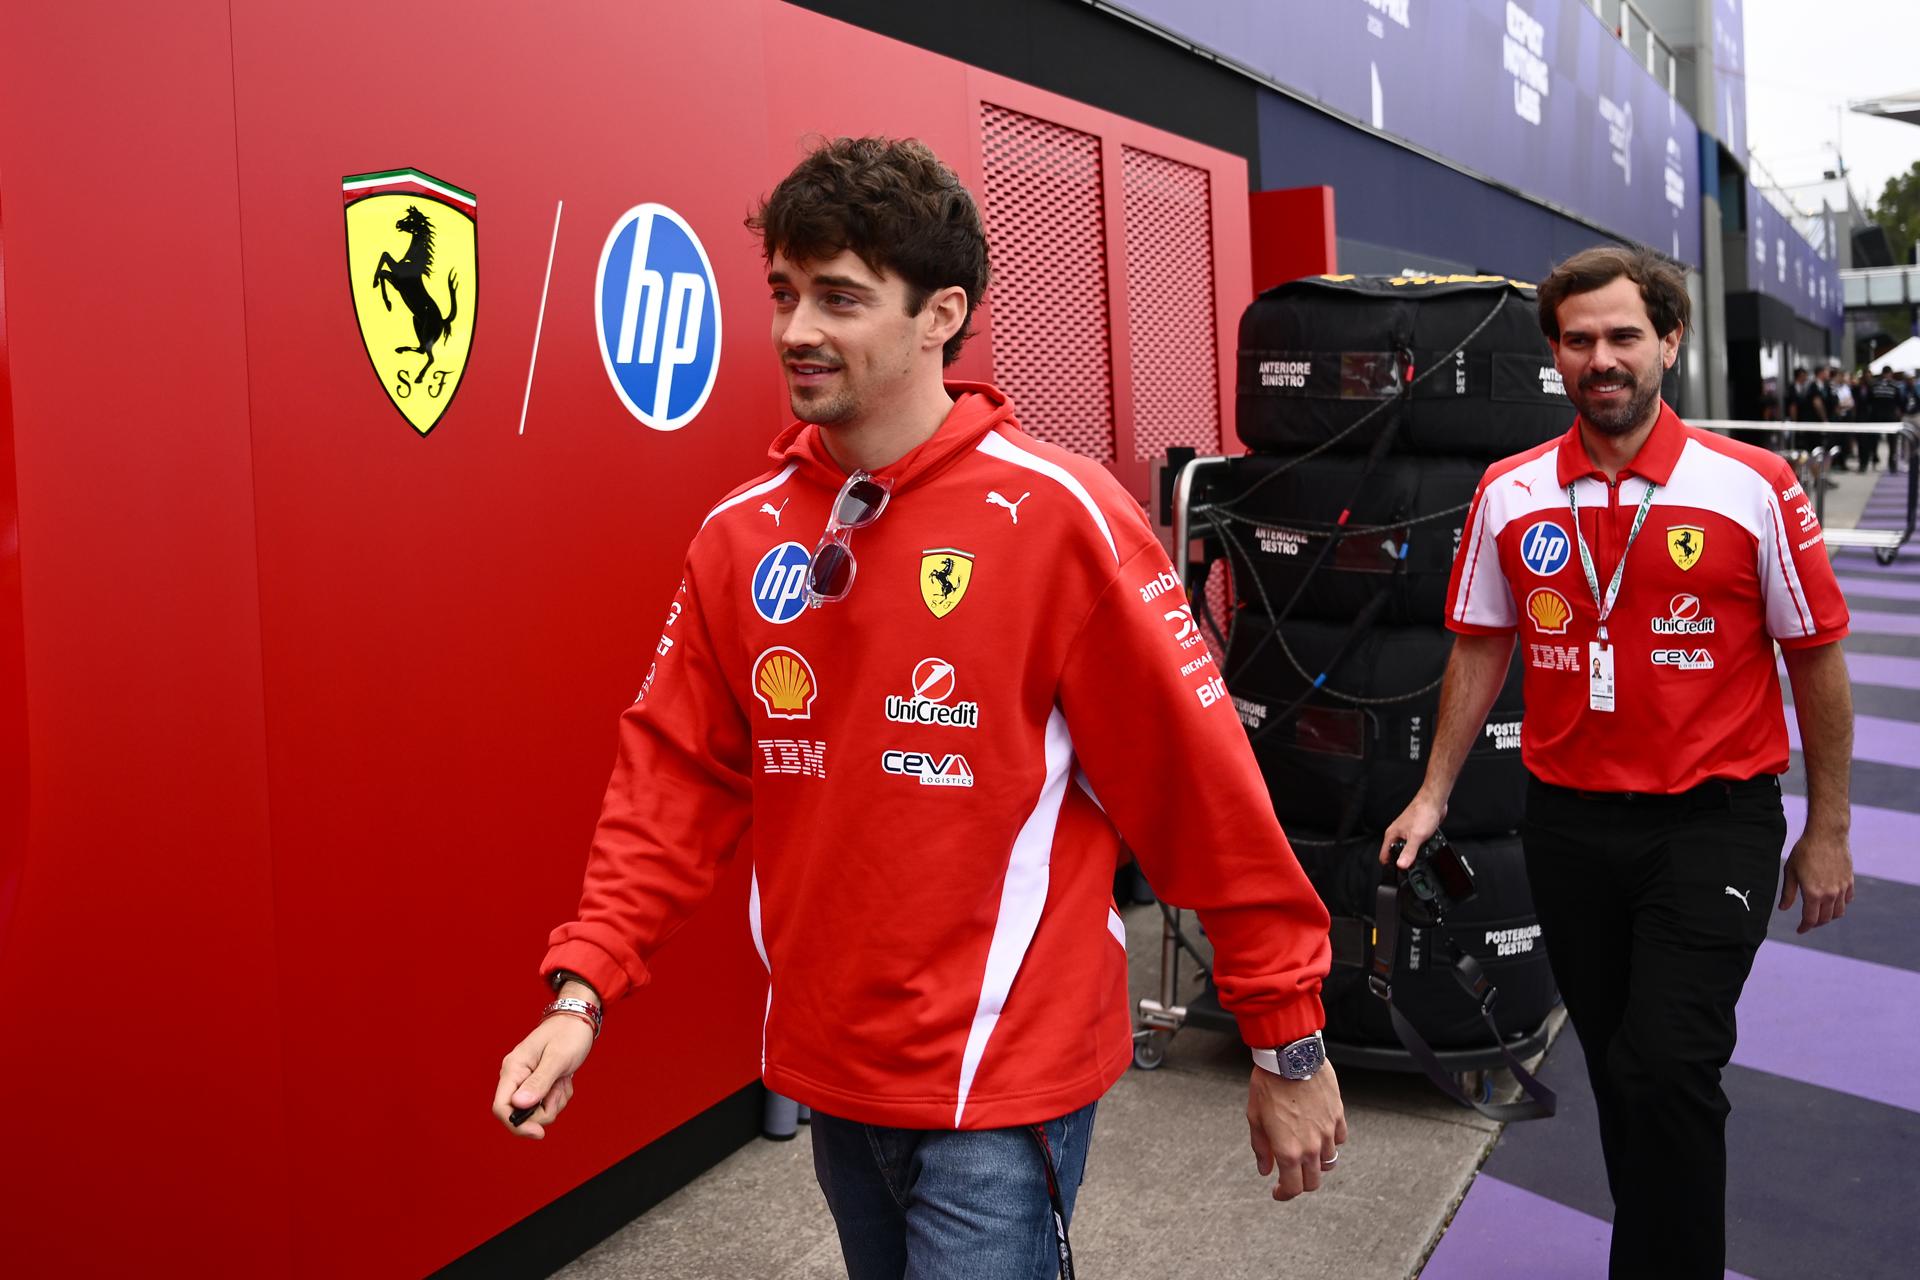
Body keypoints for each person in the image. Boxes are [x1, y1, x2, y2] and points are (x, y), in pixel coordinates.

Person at [489, 136, 1346, 1277]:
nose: (797, 329)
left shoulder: (1059, 514)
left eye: (840, 298)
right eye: (785, 294)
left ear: (943, 313)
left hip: (1004, 1076)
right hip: (834, 1065)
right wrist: (582, 990)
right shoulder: (739, 533)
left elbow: (1198, 789)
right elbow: (673, 781)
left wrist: (1285, 1032)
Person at [1381, 245, 1855, 1279]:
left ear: (1669, 342)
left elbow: (1814, 653)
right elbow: (1479, 642)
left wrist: (1827, 826)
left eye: (1624, 336)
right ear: (1555, 352)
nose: (1602, 357)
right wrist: (1432, 793)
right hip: (1567, 824)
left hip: (1712, 819)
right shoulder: (1509, 492)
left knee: (1670, 1061)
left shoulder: (1752, 485)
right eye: (1580, 338)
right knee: (1619, 1066)